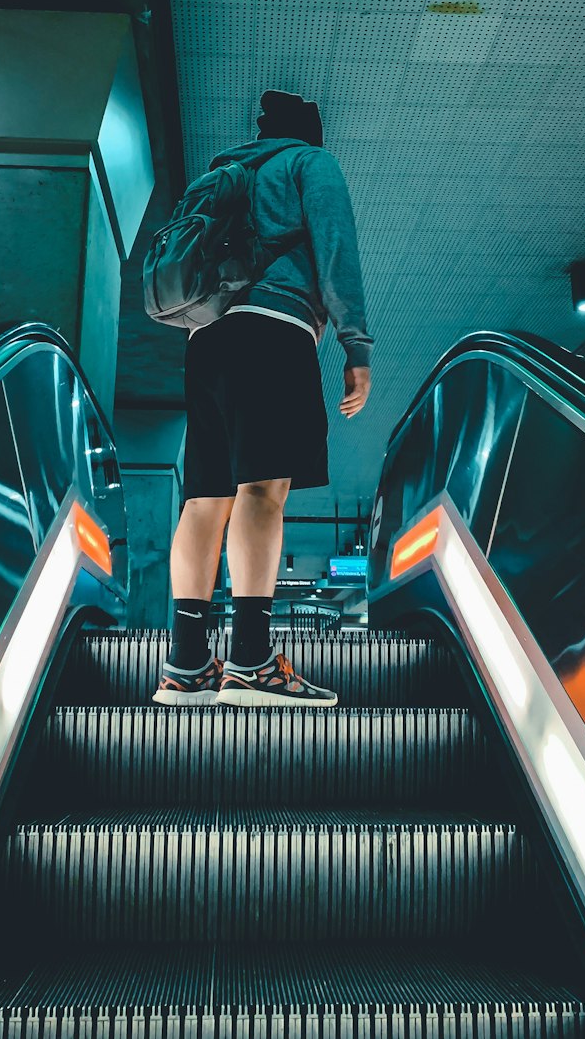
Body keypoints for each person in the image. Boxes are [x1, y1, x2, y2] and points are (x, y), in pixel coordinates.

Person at [153, 89, 372, 707]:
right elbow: (336, 250)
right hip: (273, 333)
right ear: (311, 132)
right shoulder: (310, 164)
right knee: (261, 490)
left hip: (207, 338)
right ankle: (250, 660)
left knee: (203, 499)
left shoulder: (223, 171)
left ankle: (187, 666)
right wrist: (357, 348)